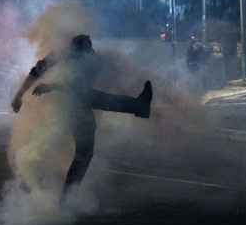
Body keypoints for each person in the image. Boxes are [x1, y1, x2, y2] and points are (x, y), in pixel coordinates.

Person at [11, 34, 152, 202]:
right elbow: (37, 72)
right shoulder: (63, 55)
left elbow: (77, 88)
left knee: (84, 152)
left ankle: (65, 200)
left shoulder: (93, 61)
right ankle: (63, 200)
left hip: (75, 104)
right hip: (67, 106)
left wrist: (51, 86)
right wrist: (19, 95)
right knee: (83, 151)